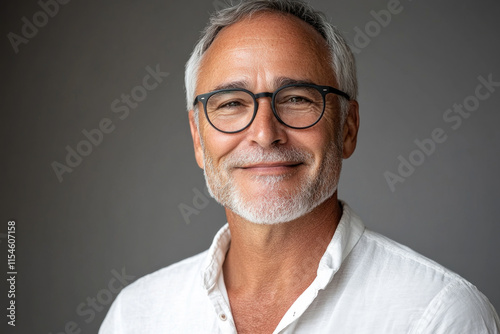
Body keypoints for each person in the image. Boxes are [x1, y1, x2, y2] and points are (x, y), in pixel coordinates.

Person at [99, 0, 500, 333]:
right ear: (197, 138)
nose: (264, 133)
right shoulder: (135, 316)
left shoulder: (440, 315)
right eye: (232, 104)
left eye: (296, 99)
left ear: (348, 127)